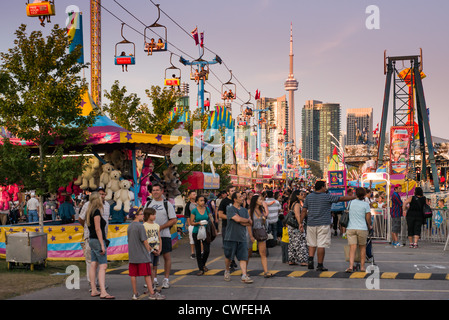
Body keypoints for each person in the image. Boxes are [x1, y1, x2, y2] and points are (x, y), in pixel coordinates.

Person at [300, 181, 356, 271]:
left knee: (312, 243)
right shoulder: (327, 196)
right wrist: (353, 197)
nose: (325, 188)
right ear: (322, 187)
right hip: (323, 224)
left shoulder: (309, 197)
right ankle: (320, 265)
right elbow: (341, 198)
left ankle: (310, 261)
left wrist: (300, 222)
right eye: (325, 186)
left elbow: (304, 210)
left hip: (311, 223)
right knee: (321, 244)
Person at [144, 183, 177, 289]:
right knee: (153, 258)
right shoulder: (148, 203)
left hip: (164, 235)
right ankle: (153, 279)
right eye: (153, 190)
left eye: (157, 190)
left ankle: (166, 279)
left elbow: (173, 220)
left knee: (166, 257)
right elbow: (144, 219)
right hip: (150, 237)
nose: (155, 192)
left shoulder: (167, 204)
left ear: (162, 191)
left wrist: (160, 227)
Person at [128, 207, 165, 300]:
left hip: (132, 255)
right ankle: (152, 293)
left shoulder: (130, 226)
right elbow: (145, 241)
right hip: (142, 255)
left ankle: (135, 293)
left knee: (133, 275)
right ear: (136, 215)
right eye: (141, 214)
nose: (143, 215)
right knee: (147, 274)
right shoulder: (140, 226)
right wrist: (152, 250)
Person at [85, 192, 114, 299]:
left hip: (91, 240)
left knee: (93, 264)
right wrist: (102, 244)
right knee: (103, 266)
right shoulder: (96, 212)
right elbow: (98, 229)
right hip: (97, 240)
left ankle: (94, 289)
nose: (102, 198)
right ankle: (103, 291)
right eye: (100, 197)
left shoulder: (89, 211)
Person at [223, 192, 253, 283]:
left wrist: (243, 221)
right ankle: (227, 270)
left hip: (242, 237)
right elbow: (238, 219)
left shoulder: (244, 210)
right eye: (240, 197)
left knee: (243, 257)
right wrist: (245, 220)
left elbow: (248, 223)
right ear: (235, 199)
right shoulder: (230, 209)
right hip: (231, 237)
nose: (242, 198)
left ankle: (244, 275)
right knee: (228, 257)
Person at [345, 187, 372, 273]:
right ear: (364, 195)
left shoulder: (350, 203)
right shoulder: (366, 205)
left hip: (351, 227)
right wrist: (369, 225)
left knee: (352, 248)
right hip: (362, 228)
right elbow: (368, 217)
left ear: (355, 194)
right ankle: (362, 267)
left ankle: (350, 266)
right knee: (362, 248)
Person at [247, 194, 273, 278]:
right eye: (260, 200)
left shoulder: (262, 210)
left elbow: (264, 222)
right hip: (251, 232)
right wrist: (251, 236)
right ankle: (245, 271)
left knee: (263, 253)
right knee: (248, 253)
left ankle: (266, 271)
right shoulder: (250, 211)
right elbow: (248, 225)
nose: (262, 201)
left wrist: (264, 220)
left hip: (260, 232)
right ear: (255, 201)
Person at [190, 195, 212, 275]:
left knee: (206, 250)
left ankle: (203, 264)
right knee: (198, 251)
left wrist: (214, 228)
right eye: (201, 200)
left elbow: (210, 218)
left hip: (206, 231)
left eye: (203, 200)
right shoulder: (194, 211)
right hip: (196, 231)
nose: (203, 202)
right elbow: (191, 222)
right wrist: (198, 223)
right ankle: (201, 268)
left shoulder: (207, 209)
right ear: (197, 202)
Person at [218, 185, 237, 270]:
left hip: (237, 226)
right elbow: (220, 215)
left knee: (235, 245)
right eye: (232, 191)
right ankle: (230, 262)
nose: (233, 192)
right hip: (227, 226)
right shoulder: (224, 202)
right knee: (228, 246)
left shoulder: (237, 201)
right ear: (228, 192)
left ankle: (232, 260)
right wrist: (230, 217)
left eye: (234, 190)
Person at [287, 190, 308, 266]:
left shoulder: (292, 204)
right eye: (301, 194)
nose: (303, 195)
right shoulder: (297, 204)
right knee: (300, 242)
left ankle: (291, 259)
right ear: (297, 196)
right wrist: (300, 224)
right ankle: (303, 260)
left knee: (292, 243)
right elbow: (297, 215)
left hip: (291, 227)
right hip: (296, 226)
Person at [143, 207, 162, 292]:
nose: (154, 216)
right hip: (148, 250)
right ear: (147, 215)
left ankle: (153, 284)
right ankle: (149, 285)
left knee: (154, 267)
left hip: (156, 248)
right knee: (149, 266)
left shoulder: (157, 225)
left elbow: (159, 237)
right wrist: (151, 249)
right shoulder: (144, 226)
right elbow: (145, 240)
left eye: (155, 214)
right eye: (153, 214)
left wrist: (160, 249)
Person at [184, 191, 197, 259]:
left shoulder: (199, 203)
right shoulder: (188, 205)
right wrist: (189, 225)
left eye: (195, 194)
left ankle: (201, 251)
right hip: (192, 224)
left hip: (200, 223)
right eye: (193, 194)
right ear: (189, 196)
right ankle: (192, 252)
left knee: (201, 238)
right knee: (192, 239)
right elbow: (187, 216)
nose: (195, 195)